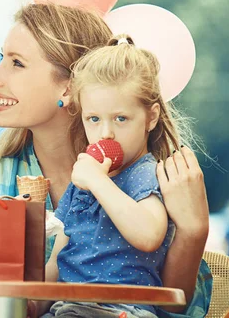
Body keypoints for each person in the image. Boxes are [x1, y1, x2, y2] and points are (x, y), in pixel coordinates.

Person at [0, 3, 211, 318]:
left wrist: (194, 231)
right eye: (3, 58)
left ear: (71, 87)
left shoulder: (154, 175)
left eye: (17, 63)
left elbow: (179, 307)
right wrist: (6, 262)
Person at [39, 34, 190, 317]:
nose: (105, 133)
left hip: (125, 310)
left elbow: (148, 235)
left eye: (121, 118)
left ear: (151, 117)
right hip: (69, 309)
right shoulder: (83, 181)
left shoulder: (144, 174)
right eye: (94, 119)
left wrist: (98, 182)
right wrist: (30, 306)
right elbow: (58, 261)